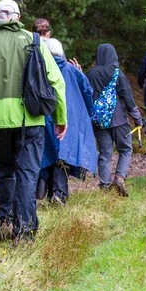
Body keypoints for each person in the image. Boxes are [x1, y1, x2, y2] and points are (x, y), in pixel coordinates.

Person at [0, 0, 67, 242]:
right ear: (17, 16)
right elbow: (56, 81)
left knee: (4, 171)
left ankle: (5, 220)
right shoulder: (33, 40)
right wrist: (60, 117)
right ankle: (25, 229)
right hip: (30, 119)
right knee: (27, 174)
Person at [38, 38, 97, 205]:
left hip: (45, 118)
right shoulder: (72, 70)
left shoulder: (41, 70)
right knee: (62, 157)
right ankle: (59, 192)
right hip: (68, 120)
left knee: (48, 154)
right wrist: (88, 114)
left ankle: (50, 191)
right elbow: (87, 91)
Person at [86, 44, 144, 196]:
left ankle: (105, 186)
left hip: (98, 121)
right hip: (118, 119)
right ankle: (119, 177)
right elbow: (128, 98)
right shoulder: (117, 73)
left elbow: (85, 94)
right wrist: (138, 119)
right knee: (125, 149)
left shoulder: (90, 74)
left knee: (105, 153)